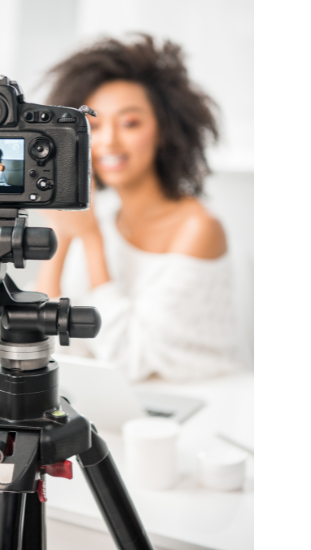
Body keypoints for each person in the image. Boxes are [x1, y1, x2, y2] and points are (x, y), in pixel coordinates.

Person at [34, 34, 240, 383]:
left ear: (164, 131)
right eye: (94, 127)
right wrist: (64, 235)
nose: (109, 141)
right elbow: (51, 340)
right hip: (127, 406)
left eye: (130, 123)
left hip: (206, 403)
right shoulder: (102, 222)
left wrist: (92, 240)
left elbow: (130, 358)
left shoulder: (198, 228)